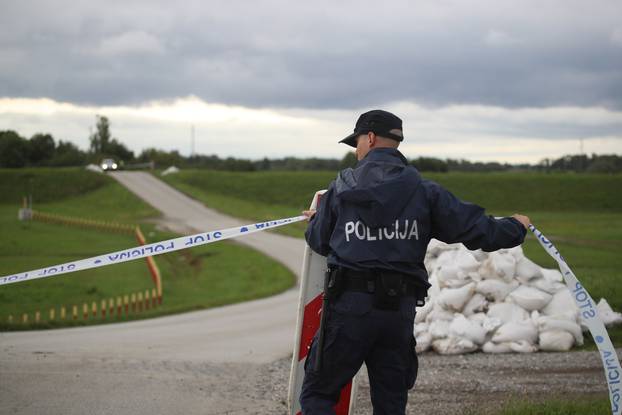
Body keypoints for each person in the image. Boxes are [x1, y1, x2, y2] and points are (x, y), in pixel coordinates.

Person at [299, 109, 530, 415]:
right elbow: (477, 230)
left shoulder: (341, 189)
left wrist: (317, 220)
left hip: (349, 309)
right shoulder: (424, 190)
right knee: (391, 401)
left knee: (318, 393)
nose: (356, 151)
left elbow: (320, 241)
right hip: (398, 311)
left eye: (357, 142)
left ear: (369, 138)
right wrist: (516, 226)